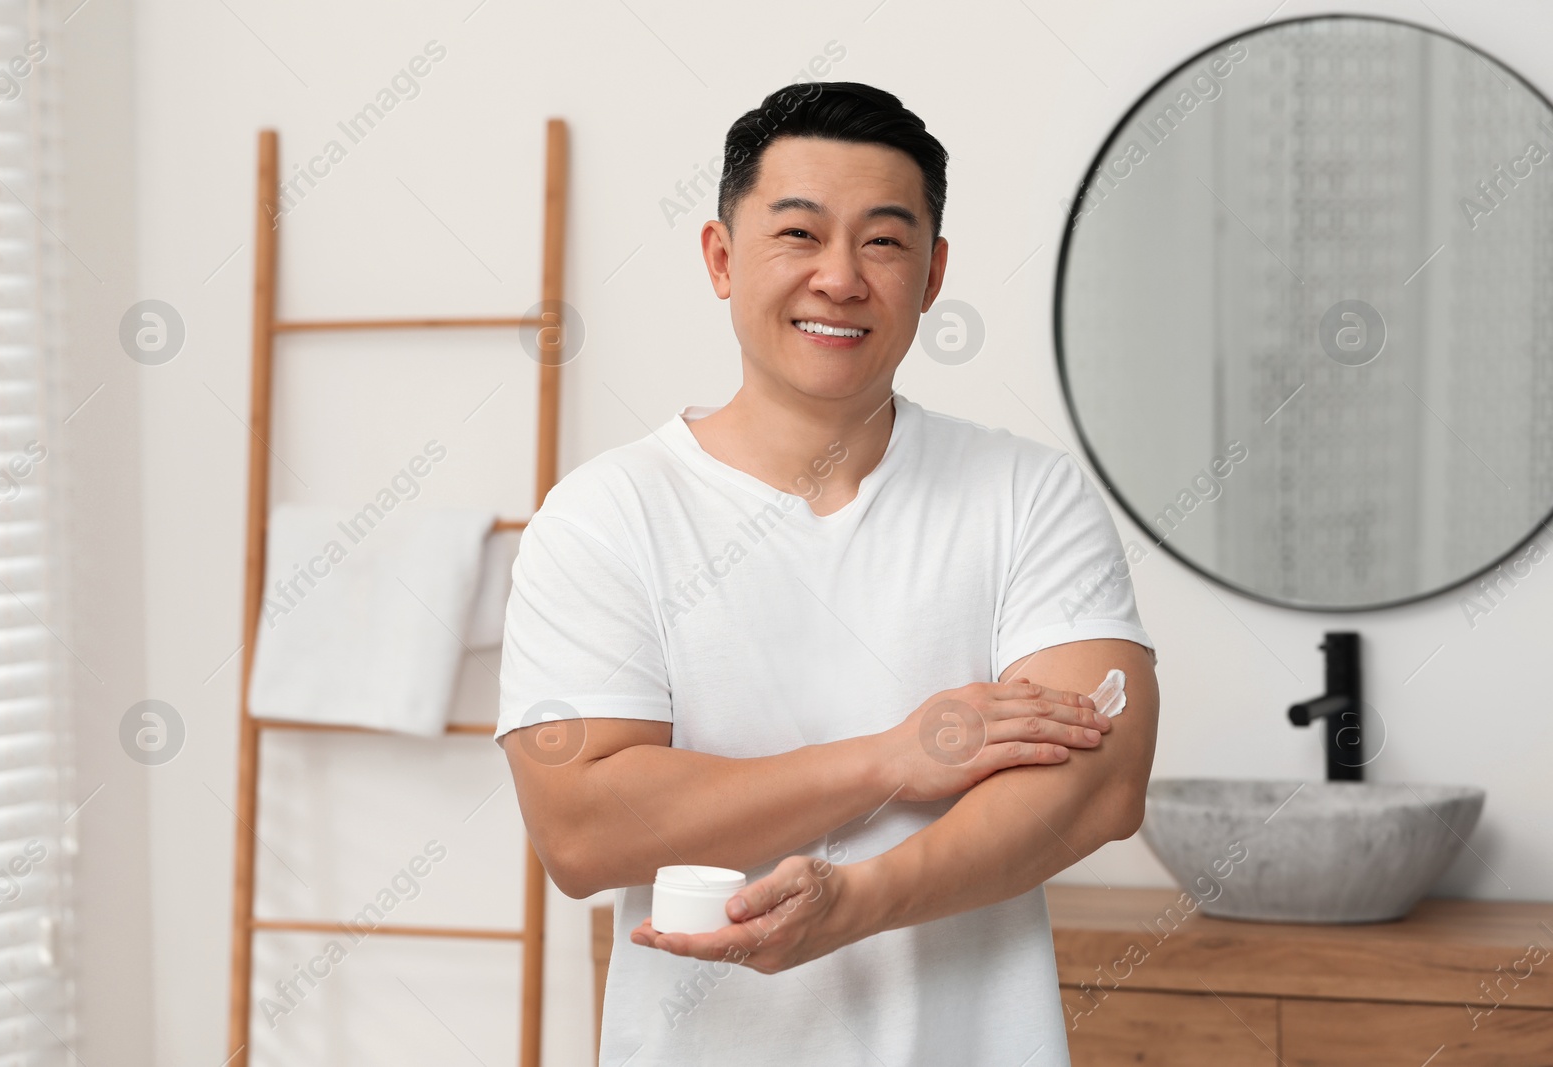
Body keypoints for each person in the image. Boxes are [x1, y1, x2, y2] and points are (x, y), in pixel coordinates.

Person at [493, 80, 1159, 1067]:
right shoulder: (604, 515)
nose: (840, 278)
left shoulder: (1025, 494)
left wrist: (854, 902)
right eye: (798, 235)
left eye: (883, 242)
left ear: (932, 275)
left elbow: (1101, 785)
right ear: (722, 259)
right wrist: (891, 757)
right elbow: (584, 829)